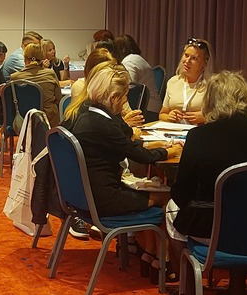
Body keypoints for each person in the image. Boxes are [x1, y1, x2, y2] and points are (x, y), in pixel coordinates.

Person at [164, 71, 247, 295]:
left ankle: (188, 294)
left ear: (210, 101)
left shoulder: (199, 136)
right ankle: (236, 293)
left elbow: (182, 193)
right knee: (244, 207)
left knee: (171, 209)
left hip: (210, 230)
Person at [62, 62, 181, 238]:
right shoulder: (105, 125)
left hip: (85, 198)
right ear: (113, 98)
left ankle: (141, 250)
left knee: (146, 188)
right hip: (105, 200)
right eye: (124, 96)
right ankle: (156, 253)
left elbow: (126, 144)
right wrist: (170, 151)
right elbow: (142, 156)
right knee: (167, 196)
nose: (125, 101)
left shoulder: (86, 116)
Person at [7, 43, 63, 127]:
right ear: (42, 59)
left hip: (24, 121)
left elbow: (11, 103)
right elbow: (59, 99)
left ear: (25, 59)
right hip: (49, 121)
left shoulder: (14, 77)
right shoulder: (50, 74)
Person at [160, 37, 213, 124]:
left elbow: (222, 117)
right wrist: (169, 116)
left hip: (200, 130)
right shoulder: (173, 82)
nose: (187, 61)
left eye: (194, 58)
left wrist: (205, 117)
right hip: (175, 130)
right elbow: (162, 114)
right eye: (186, 55)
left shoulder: (212, 85)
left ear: (204, 64)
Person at [116, 35, 161, 114]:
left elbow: (129, 87)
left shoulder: (129, 61)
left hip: (146, 108)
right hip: (152, 105)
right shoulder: (138, 58)